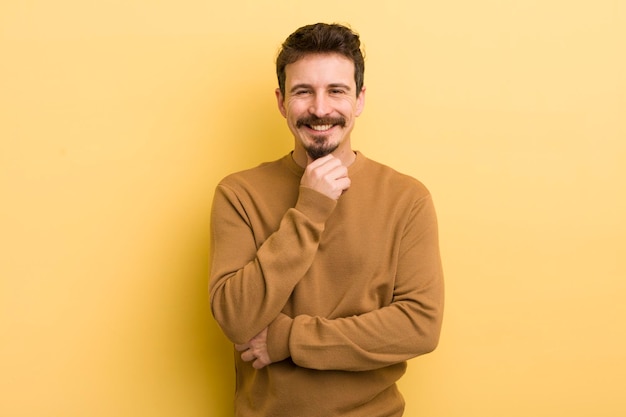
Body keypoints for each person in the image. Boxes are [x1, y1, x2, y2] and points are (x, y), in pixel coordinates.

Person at [209, 22, 444, 417]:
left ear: (359, 100)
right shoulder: (238, 194)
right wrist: (309, 210)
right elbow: (236, 318)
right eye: (303, 92)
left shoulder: (408, 198)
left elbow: (419, 326)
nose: (320, 109)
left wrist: (286, 339)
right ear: (282, 102)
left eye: (336, 91)